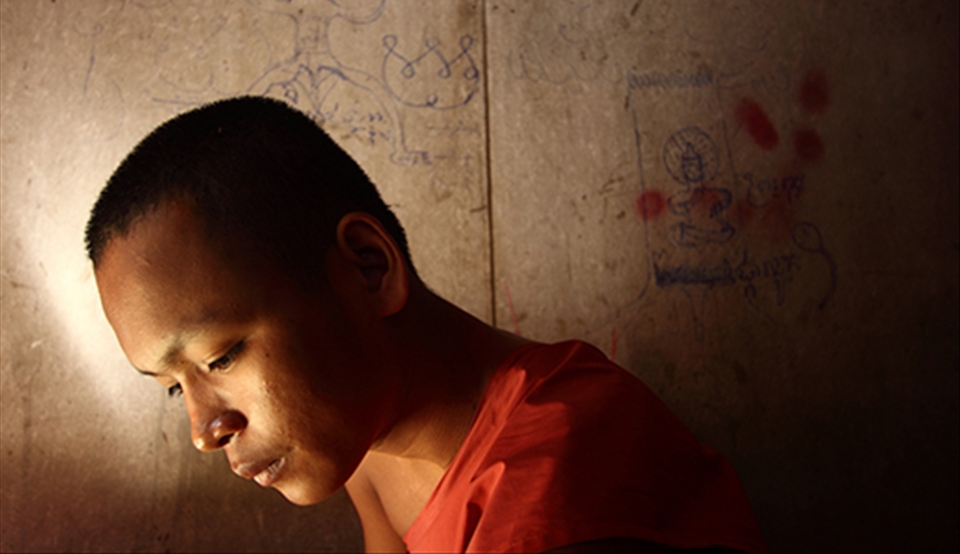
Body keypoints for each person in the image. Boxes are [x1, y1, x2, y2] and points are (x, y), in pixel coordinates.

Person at [86, 96, 766, 553]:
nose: (205, 431)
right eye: (173, 387)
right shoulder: (367, 439)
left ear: (368, 268)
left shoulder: (557, 490)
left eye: (221, 356)